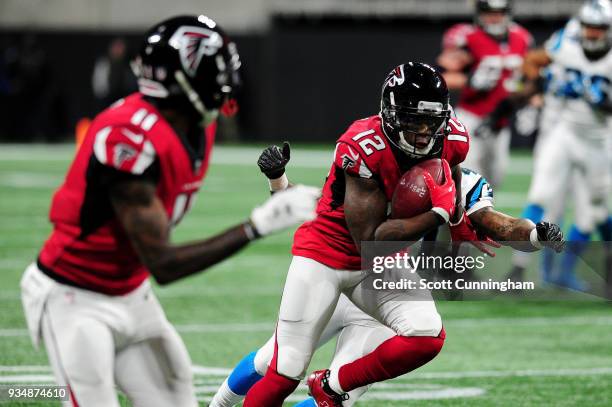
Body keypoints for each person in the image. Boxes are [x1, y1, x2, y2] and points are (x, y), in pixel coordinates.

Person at [19, 15, 319, 407]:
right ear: (179, 79)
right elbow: (164, 264)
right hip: (74, 296)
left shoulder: (198, 124)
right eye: (216, 73)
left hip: (130, 289)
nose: (224, 84)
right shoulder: (128, 135)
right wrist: (256, 226)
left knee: (176, 398)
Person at [210, 157, 564, 406]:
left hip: (384, 283)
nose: (424, 134)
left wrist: (533, 235)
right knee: (273, 360)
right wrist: (279, 182)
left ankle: (329, 384)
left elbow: (495, 222)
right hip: (334, 272)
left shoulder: (459, 180)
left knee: (338, 397)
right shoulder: (376, 159)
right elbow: (321, 208)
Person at [239, 61, 487, 406]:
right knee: (284, 369)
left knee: (426, 335)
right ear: (389, 114)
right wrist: (437, 214)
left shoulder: (453, 139)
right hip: (327, 256)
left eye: (432, 121)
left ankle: (332, 384)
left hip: (382, 266)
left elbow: (450, 176)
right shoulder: (363, 145)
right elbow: (369, 241)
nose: (423, 132)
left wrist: (458, 225)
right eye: (414, 120)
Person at [509, 0, 612, 289]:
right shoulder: (565, 47)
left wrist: (605, 102)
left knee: (591, 213)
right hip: (564, 132)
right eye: (589, 27)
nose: (592, 34)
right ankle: (517, 271)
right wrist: (533, 87)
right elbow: (533, 61)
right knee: (540, 196)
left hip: (599, 140)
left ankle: (562, 274)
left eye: (598, 28)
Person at [437, 0, 532, 186]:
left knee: (495, 178)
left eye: (499, 12)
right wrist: (469, 81)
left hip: (500, 122)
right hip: (471, 118)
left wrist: (528, 101)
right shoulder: (467, 38)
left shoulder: (522, 38)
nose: (494, 17)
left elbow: (527, 79)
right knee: (466, 177)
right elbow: (439, 76)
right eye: (489, 12)